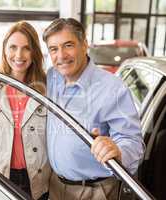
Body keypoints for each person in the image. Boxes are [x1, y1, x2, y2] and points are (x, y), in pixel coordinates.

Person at [43, 18, 144, 200]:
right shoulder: (52, 78)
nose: (61, 55)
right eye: (53, 49)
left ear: (84, 45)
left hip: (93, 191)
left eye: (68, 45)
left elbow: (133, 141)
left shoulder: (112, 88)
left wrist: (118, 151)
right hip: (55, 187)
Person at [0, 21, 51, 200]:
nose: (19, 55)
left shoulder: (48, 88)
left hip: (37, 179)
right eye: (13, 47)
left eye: (26, 48)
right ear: (5, 49)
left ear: (34, 52)